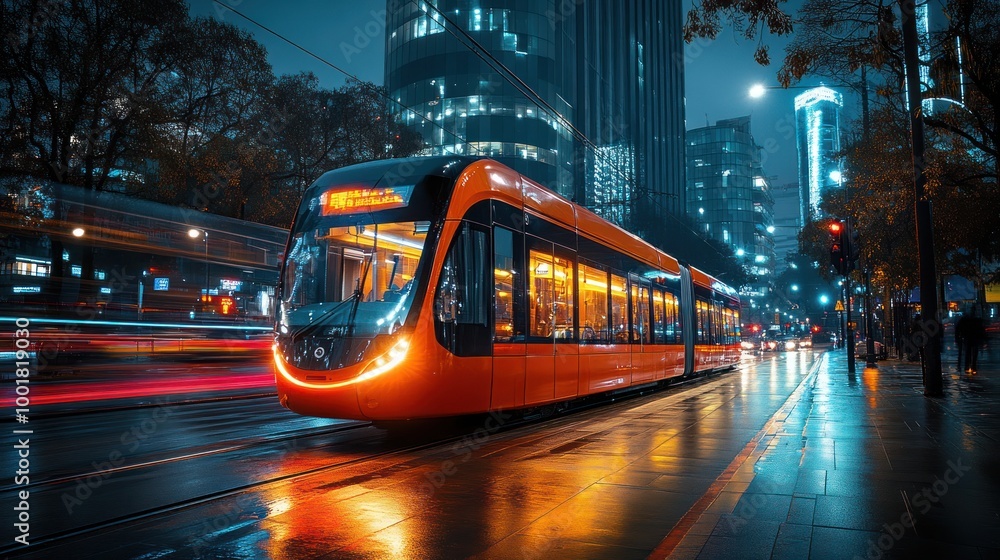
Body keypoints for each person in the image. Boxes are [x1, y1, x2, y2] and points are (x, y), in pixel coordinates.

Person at [965, 309, 986, 374]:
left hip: (970, 338)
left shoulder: (967, 320)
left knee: (969, 353)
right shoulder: (977, 321)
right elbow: (981, 330)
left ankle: (968, 366)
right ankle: (973, 366)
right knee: (973, 353)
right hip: (974, 338)